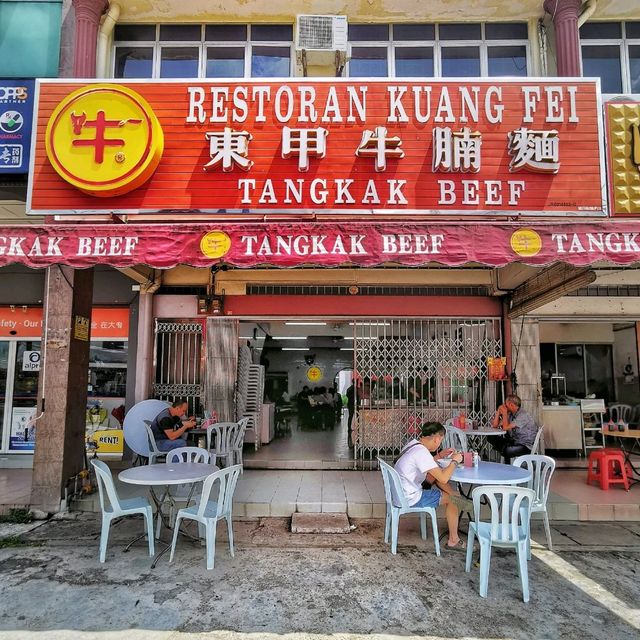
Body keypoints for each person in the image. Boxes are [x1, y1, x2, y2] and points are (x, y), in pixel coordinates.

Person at [394, 421, 470, 549]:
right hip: (410, 497)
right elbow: (444, 478)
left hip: (401, 492)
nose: (440, 443)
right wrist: (455, 461)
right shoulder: (422, 453)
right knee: (454, 499)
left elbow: (426, 465)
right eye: (441, 440)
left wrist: (440, 455)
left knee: (435, 478)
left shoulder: (414, 444)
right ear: (436, 439)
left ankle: (459, 500)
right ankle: (454, 540)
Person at [490, 394, 538, 464]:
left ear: (511, 405)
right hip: (515, 442)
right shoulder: (511, 414)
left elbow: (505, 427)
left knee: (507, 450)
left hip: (525, 446)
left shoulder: (522, 415)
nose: (505, 407)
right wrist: (498, 412)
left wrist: (504, 413)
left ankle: (504, 450)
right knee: (491, 437)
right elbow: (495, 426)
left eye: (506, 405)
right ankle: (504, 449)